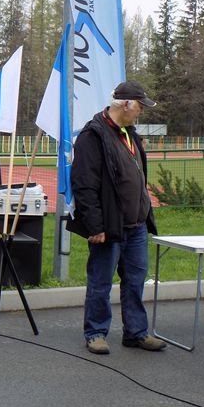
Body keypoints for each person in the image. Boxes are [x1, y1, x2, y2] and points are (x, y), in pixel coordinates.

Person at [68, 80, 166, 355]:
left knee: (135, 281)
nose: (142, 111)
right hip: (109, 226)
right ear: (125, 104)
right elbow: (84, 184)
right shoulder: (93, 136)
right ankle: (95, 333)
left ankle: (136, 333)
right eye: (140, 106)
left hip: (136, 225)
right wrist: (95, 225)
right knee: (101, 282)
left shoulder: (130, 134)